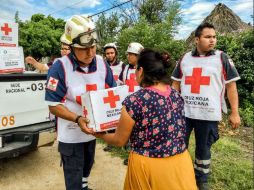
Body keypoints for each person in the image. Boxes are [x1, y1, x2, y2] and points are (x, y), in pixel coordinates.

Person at [88, 49, 197, 190]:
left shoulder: (135, 101)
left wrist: (98, 134)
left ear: (140, 71)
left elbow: (120, 140)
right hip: (180, 164)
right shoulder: (176, 95)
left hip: (148, 167)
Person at [45, 15, 116, 190]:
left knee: (87, 167)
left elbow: (112, 93)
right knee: (73, 176)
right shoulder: (59, 67)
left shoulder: (102, 64)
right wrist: (77, 119)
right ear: (70, 47)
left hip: (92, 133)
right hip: (71, 135)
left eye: (93, 47)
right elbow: (53, 106)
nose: (91, 53)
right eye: (84, 49)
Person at [171, 22, 241, 190]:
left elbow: (231, 86)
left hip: (208, 114)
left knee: (204, 149)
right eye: (208, 37)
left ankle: (201, 180)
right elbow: (175, 84)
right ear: (197, 39)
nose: (212, 40)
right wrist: (171, 108)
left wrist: (235, 112)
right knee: (179, 146)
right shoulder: (185, 58)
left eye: (214, 37)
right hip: (184, 113)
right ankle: (179, 174)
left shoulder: (222, 58)